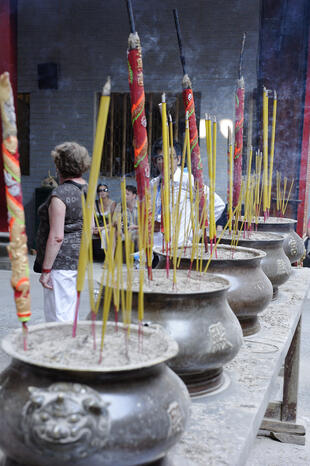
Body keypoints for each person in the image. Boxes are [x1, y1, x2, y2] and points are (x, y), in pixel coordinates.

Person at [34, 141, 91, 322]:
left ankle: (61, 350)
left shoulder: (61, 194)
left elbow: (57, 237)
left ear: (59, 166)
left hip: (61, 263)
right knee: (69, 312)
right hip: (79, 259)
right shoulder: (88, 189)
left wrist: (46, 270)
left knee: (58, 318)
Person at [151, 138, 225, 250]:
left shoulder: (187, 181)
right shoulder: (153, 184)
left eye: (171, 157)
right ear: (155, 162)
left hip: (179, 249)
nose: (166, 162)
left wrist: (195, 230)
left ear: (179, 159)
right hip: (155, 248)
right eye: (161, 158)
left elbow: (218, 204)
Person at [92, 183, 116, 261]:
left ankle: (109, 258)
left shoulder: (112, 204)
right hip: (95, 227)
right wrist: (93, 227)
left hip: (108, 227)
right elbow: (90, 218)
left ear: (108, 192)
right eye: (100, 190)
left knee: (107, 232)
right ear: (97, 193)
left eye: (104, 190)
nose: (102, 192)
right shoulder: (94, 204)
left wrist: (101, 228)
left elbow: (114, 222)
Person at [113, 185, 139, 250]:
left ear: (134, 196)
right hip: (124, 232)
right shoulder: (120, 206)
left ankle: (140, 258)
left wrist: (134, 227)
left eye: (127, 194)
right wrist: (119, 227)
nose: (124, 196)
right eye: (123, 194)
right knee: (112, 231)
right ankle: (111, 258)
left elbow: (146, 224)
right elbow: (115, 220)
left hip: (137, 231)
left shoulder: (141, 206)